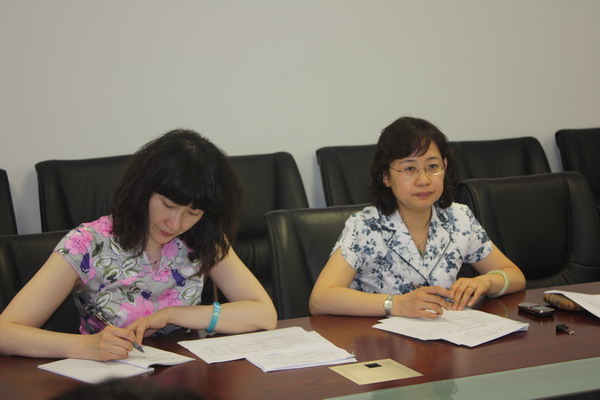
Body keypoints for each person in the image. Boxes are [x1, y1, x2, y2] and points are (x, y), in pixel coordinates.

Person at [0, 129, 277, 361]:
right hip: (111, 380)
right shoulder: (87, 244)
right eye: (168, 205)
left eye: (192, 213)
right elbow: (5, 332)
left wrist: (174, 315)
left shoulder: (203, 238)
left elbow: (264, 314)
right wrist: (84, 346)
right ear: (143, 190)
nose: (175, 224)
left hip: (185, 378)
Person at [310, 116, 525, 319]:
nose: (423, 180)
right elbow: (321, 299)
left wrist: (486, 282)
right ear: (386, 176)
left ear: (445, 167)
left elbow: (514, 275)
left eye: (432, 166)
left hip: (446, 336)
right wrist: (395, 304)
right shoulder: (366, 226)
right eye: (410, 168)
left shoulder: (459, 218)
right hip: (380, 338)